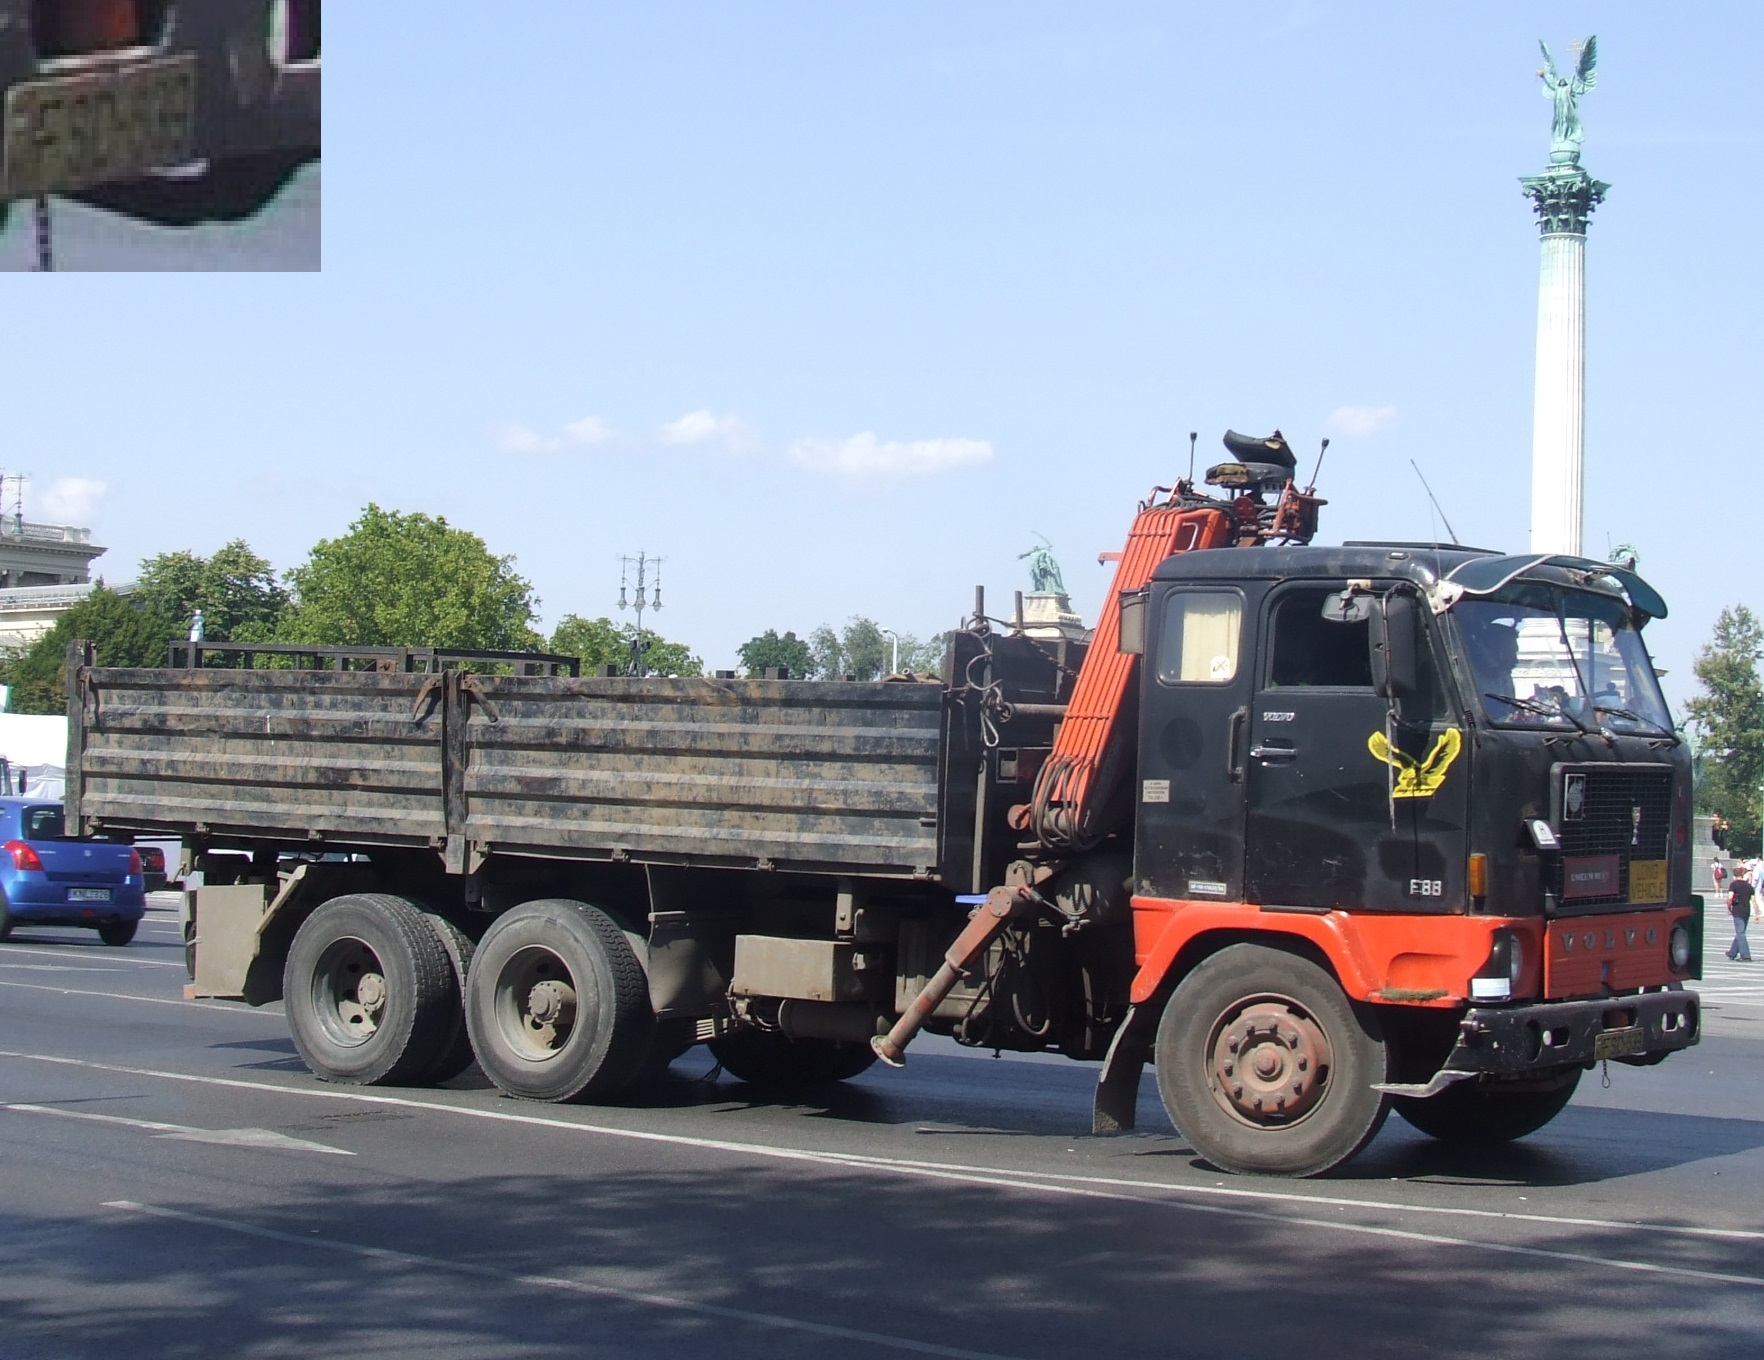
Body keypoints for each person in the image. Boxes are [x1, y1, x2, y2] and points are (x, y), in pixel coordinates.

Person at [1727, 870, 1755, 963]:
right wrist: (1757, 912)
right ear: (1742, 875)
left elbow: (1730, 898)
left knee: (1740, 933)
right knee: (1740, 932)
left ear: (1734, 875)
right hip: (1746, 911)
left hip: (1738, 911)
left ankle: (1746, 955)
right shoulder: (1748, 886)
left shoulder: (1734, 884)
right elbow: (1753, 900)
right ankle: (1732, 953)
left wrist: (1729, 907)